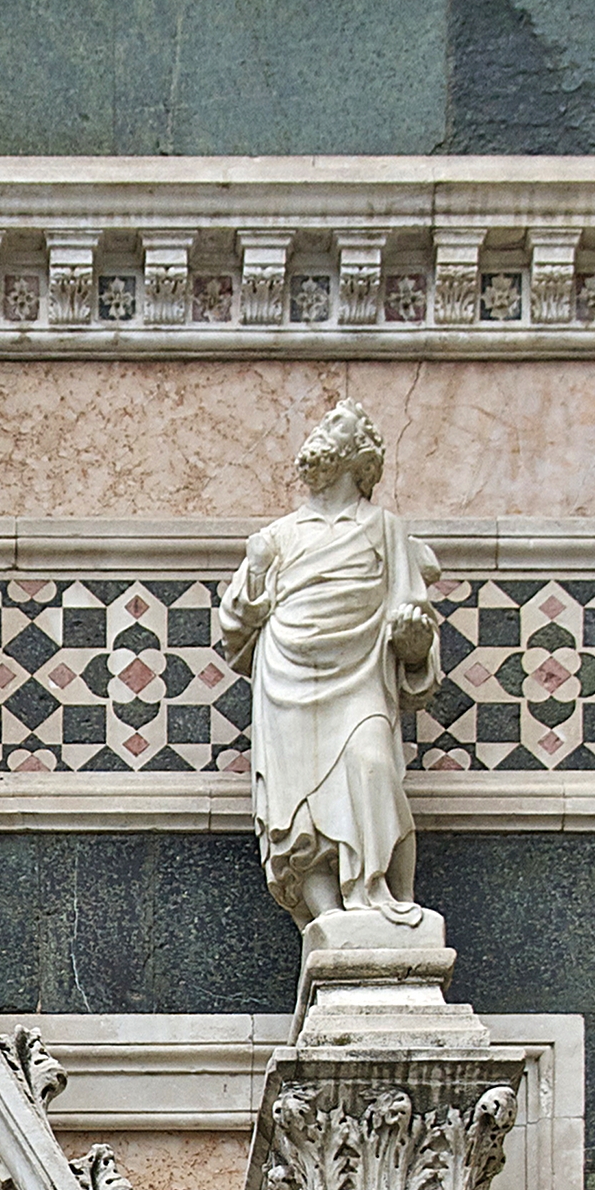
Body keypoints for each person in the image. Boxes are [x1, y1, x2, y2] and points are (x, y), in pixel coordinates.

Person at [219, 396, 442, 927]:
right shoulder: (277, 536)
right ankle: (329, 921)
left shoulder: (387, 530)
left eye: (335, 424)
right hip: (286, 677)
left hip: (361, 673)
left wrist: (413, 645)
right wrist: (255, 574)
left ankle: (389, 899)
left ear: (361, 454)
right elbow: (235, 626)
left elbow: (415, 626)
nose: (321, 429)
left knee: (373, 765)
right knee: (297, 812)